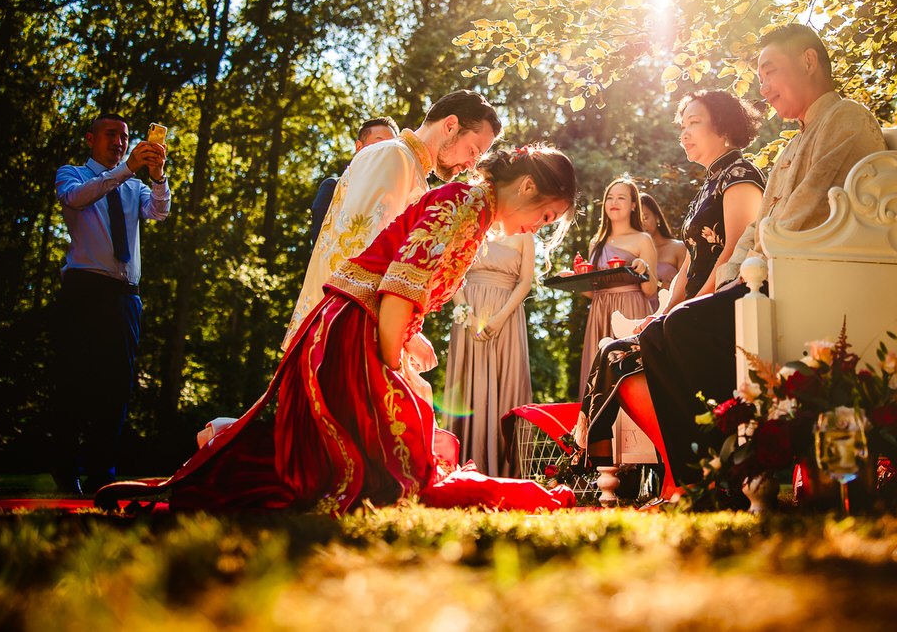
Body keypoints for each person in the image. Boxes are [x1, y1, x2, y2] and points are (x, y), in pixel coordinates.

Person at [96, 146, 578, 513]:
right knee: (403, 479)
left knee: (366, 463)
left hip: (353, 328)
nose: (537, 227)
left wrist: (407, 345)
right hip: (351, 333)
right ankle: (232, 443)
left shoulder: (473, 206)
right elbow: (396, 293)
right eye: (547, 217)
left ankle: (230, 441)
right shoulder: (467, 204)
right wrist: (394, 374)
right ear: (530, 188)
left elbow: (402, 294)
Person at [600, 25, 888, 500]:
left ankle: (731, 473)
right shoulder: (794, 142)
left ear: (810, 61)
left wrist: (733, 277)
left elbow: (804, 211)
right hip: (770, 273)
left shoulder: (845, 119)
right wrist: (733, 275)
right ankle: (699, 481)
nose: (763, 86)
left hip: (809, 278)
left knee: (686, 326)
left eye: (769, 70)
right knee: (659, 331)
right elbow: (761, 229)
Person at [577, 91, 764, 488]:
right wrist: (660, 313)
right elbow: (690, 267)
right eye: (682, 126)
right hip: (693, 310)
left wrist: (688, 309)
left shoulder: (740, 175)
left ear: (725, 127)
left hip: (726, 310)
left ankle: (693, 477)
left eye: (694, 123)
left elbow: (735, 251)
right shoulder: (708, 185)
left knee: (642, 348)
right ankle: (672, 473)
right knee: (614, 353)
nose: (684, 134)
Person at [286, 91, 502, 366]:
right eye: (474, 151)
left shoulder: (409, 168)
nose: (473, 164)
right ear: (450, 125)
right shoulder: (393, 156)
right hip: (335, 335)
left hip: (345, 332)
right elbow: (358, 253)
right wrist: (406, 335)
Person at [53, 113, 170, 495]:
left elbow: (159, 212)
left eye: (124, 137)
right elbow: (76, 199)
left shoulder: (132, 185)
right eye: (110, 134)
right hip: (84, 291)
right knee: (72, 380)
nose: (119, 142)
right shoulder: (72, 174)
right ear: (91, 139)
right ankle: (66, 470)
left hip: (125, 298)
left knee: (116, 387)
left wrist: (156, 177)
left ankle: (102, 472)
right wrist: (126, 170)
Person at [441, 229, 536, 476]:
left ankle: (506, 470)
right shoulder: (472, 223)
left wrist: (500, 318)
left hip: (507, 317)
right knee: (468, 385)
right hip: (468, 315)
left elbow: (525, 282)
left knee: (506, 384)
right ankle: (460, 465)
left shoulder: (524, 233)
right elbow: (453, 272)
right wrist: (467, 316)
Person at [577, 178, 658, 399]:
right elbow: (591, 292)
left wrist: (645, 269)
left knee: (627, 372)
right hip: (599, 310)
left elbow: (651, 290)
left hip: (630, 307)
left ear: (633, 205)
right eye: (609, 197)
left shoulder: (643, 239)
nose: (614, 202)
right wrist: (576, 279)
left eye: (621, 198)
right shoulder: (596, 242)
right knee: (597, 374)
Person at [310, 117, 399, 246]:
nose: (386, 150)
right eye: (379, 143)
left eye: (392, 145)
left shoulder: (396, 196)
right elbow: (320, 245)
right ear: (359, 146)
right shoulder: (333, 188)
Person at [640, 193, 687, 294]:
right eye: (636, 221)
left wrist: (670, 288)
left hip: (671, 307)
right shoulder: (632, 255)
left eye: (645, 218)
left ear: (657, 217)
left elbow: (690, 287)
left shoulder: (678, 248)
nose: (642, 224)